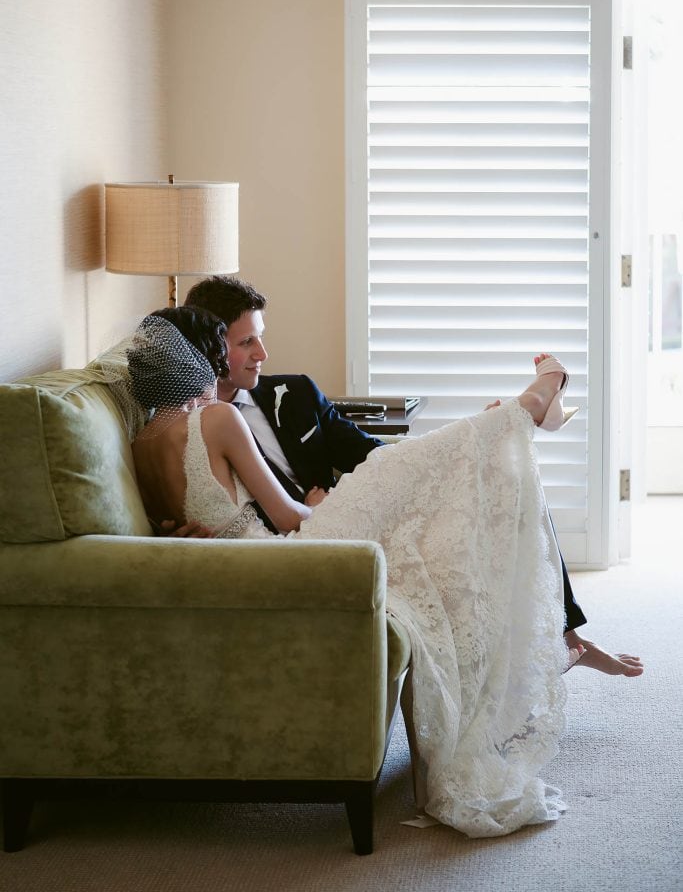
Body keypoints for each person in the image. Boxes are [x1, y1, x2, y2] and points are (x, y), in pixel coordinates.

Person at [125, 306, 576, 837]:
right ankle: (523, 409)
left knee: (406, 478)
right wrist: (326, 505)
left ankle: (516, 416)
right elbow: (288, 514)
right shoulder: (216, 419)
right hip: (289, 560)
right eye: (229, 349)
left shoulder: (140, 444)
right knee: (395, 473)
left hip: (251, 566)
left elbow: (175, 526)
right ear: (206, 358)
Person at [182, 276, 643, 680]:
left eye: (261, 338)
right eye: (246, 343)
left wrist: (450, 459)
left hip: (366, 505)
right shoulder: (194, 426)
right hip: (325, 535)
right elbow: (202, 503)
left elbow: (374, 454)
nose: (263, 354)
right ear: (211, 345)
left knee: (503, 470)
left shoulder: (295, 391)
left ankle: (565, 636)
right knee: (492, 455)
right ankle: (524, 412)